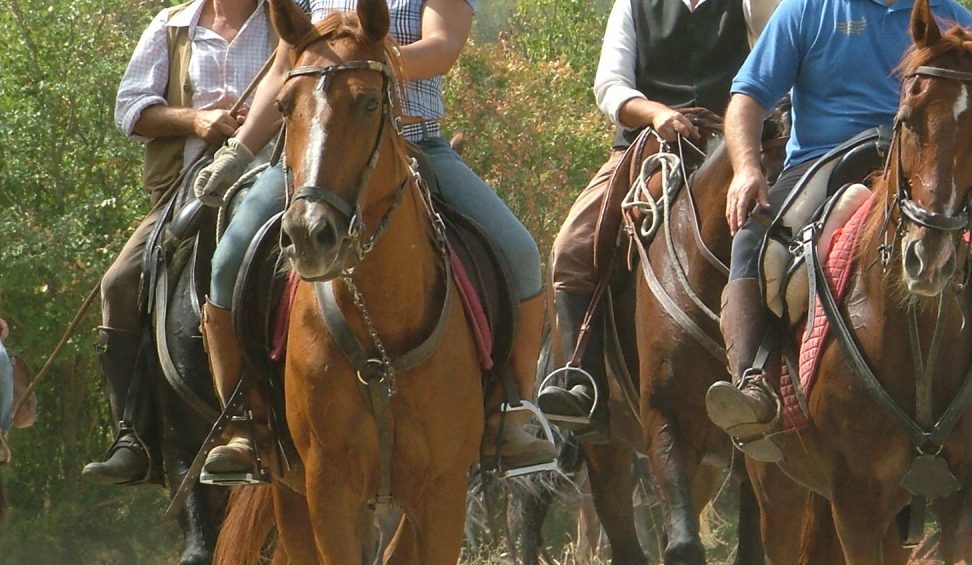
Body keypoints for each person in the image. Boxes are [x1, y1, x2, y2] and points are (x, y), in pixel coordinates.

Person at [191, 0, 557, 480]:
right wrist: (239, 154)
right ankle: (243, 422)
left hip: (415, 143)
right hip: (317, 157)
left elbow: (442, 47)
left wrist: (356, 65)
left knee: (521, 256)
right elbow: (285, 68)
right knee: (226, 265)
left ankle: (513, 408)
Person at [704, 0, 972, 459]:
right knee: (753, 241)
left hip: (924, 164)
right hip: (824, 160)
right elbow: (746, 97)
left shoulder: (951, 16)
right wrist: (747, 169)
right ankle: (754, 384)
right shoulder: (807, 10)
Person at [81, 0, 285, 484]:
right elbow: (130, 109)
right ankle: (134, 436)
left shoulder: (289, 18)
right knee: (119, 284)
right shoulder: (172, 25)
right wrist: (195, 121)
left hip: (274, 180)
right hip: (186, 183)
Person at [536, 0, 753, 431]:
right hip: (647, 144)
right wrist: (655, 113)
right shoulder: (633, 4)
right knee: (571, 247)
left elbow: (771, 65)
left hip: (737, 147)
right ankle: (582, 377)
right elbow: (610, 84)